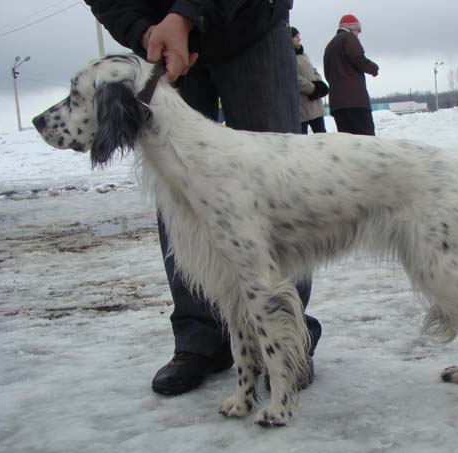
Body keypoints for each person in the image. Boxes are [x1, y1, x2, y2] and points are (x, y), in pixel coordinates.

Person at [84, 0, 322, 395]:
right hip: (158, 35)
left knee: (279, 189)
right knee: (181, 193)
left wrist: (187, 15)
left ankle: (287, 343)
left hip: (251, 23)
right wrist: (146, 31)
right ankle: (201, 340)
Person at [323, 14, 379, 136]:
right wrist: (373, 68)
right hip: (355, 102)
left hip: (337, 104)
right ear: (352, 28)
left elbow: (328, 75)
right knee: (367, 140)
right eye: (358, 31)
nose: (357, 34)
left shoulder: (329, 46)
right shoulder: (349, 38)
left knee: (348, 144)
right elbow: (358, 58)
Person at [291, 27, 328, 134]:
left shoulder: (304, 55)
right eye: (296, 37)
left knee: (322, 136)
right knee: (302, 139)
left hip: (315, 104)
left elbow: (313, 70)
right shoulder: (288, 57)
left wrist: (319, 84)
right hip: (302, 105)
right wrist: (312, 88)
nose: (299, 39)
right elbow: (294, 78)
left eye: (299, 36)